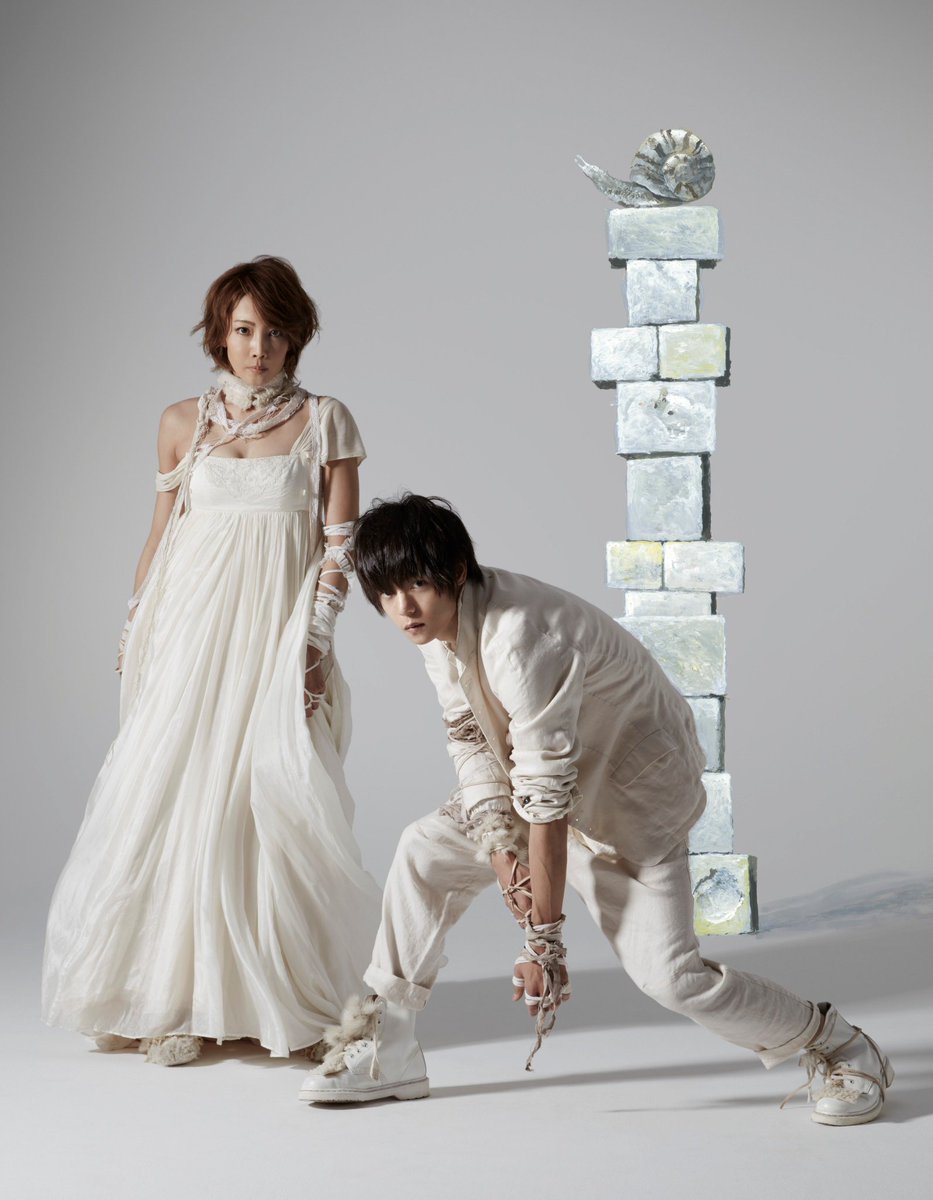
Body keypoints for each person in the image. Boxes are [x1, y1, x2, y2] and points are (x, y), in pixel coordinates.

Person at [299, 493, 893, 1126]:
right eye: (388, 593)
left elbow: (547, 797)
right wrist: (500, 851)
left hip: (626, 807)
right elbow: (470, 737)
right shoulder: (439, 629)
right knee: (425, 847)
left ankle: (841, 1045)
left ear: (457, 570)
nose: (404, 608)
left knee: (672, 979)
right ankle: (388, 1049)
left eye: (417, 584)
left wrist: (543, 942)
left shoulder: (521, 636)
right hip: (543, 791)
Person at [42, 256, 380, 1065]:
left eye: (274, 332)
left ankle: (270, 996)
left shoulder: (326, 420)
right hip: (189, 632)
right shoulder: (180, 421)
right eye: (243, 330)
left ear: (296, 337)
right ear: (219, 335)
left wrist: (314, 645)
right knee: (175, 795)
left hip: (275, 634)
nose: (258, 348)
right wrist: (136, 628)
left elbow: (339, 549)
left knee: (266, 799)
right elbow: (161, 535)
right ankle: (172, 998)